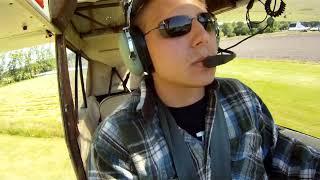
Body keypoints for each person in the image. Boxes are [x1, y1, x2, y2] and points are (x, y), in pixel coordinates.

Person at [87, 0, 320, 179]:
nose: (203, 37)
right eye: (177, 26)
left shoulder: (242, 98)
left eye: (206, 21)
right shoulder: (117, 139)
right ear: (138, 50)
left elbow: (287, 157)